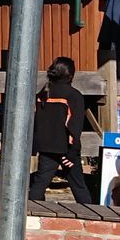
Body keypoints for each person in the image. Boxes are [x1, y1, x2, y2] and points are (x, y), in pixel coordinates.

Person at [27, 57, 93, 203]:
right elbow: (75, 126)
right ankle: (87, 214)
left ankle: (32, 211)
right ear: (71, 75)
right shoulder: (74, 96)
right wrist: (73, 151)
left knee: (40, 183)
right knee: (79, 186)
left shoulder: (43, 94)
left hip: (46, 147)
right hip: (66, 148)